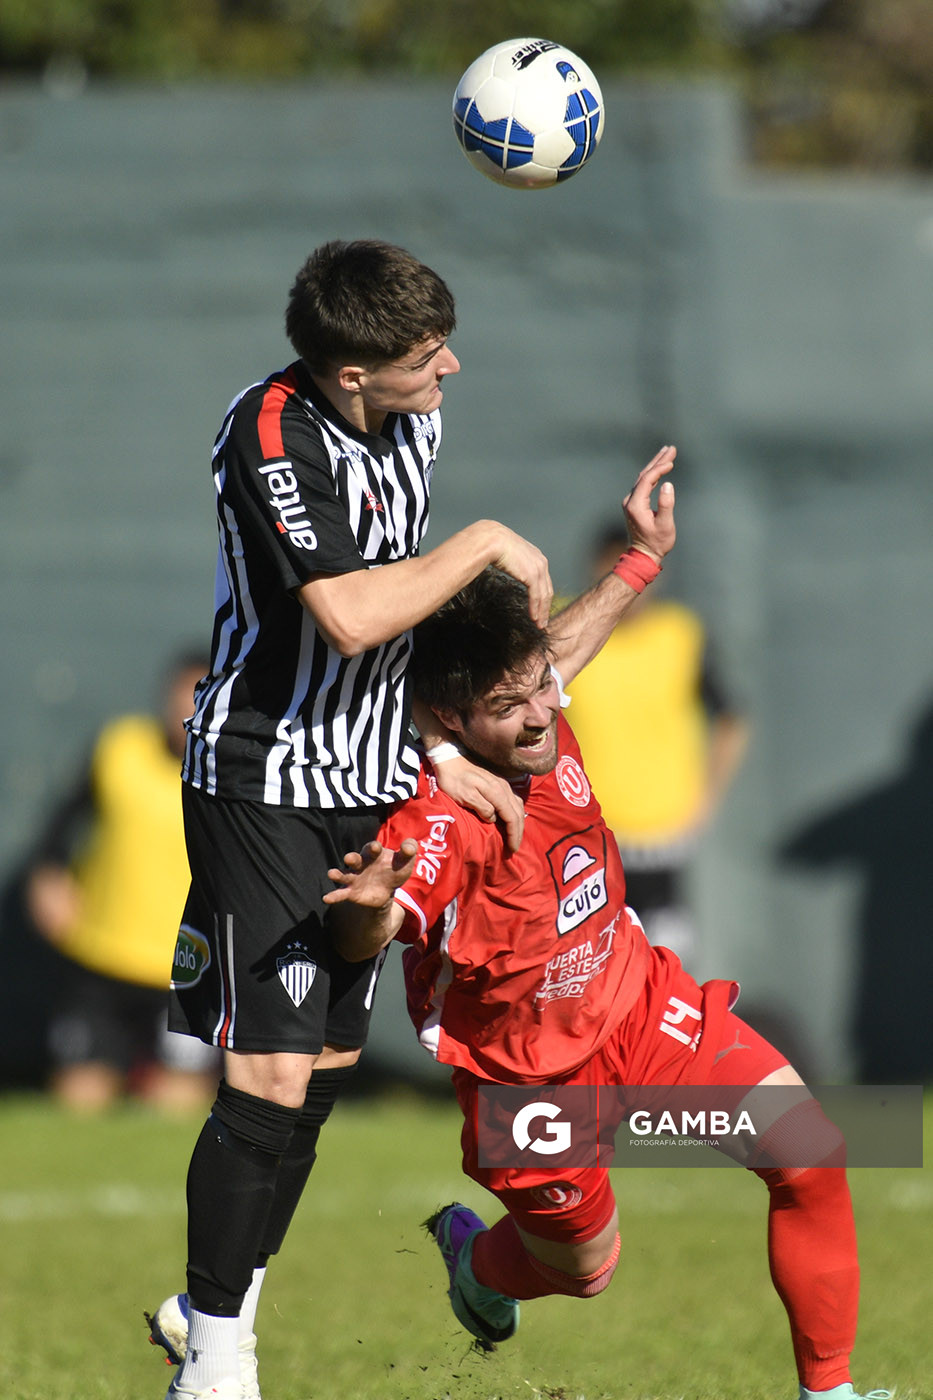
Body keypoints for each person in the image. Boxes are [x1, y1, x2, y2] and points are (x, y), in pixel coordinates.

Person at [323, 466, 888, 1400]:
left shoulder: (529, 701)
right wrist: (371, 906)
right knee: (584, 1270)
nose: (545, 714)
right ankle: (475, 1265)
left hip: (640, 1002)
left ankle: (827, 1393)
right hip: (528, 1076)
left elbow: (561, 649)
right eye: (509, 710)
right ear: (446, 723)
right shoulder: (438, 815)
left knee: (813, 1153)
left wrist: (640, 559)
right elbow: (368, 938)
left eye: (541, 688)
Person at [148, 238, 553, 1400]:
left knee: (321, 1064)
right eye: (429, 357)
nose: (452, 370)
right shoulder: (270, 431)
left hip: (369, 778)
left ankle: (211, 1305)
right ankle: (217, 1361)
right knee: (268, 1073)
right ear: (351, 374)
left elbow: (404, 616)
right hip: (261, 777)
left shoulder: (411, 417)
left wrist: (430, 744)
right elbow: (350, 614)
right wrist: (480, 540)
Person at [24, 652, 219, 1114]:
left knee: (178, 1104)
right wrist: (48, 876)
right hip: (102, 956)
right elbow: (61, 827)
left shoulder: (231, 773)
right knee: (80, 1098)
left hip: (187, 965)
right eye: (179, 696)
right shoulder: (120, 748)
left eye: (198, 698)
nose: (184, 710)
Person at [565, 521, 750, 969]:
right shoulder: (565, 625)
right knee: (586, 964)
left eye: (637, 571)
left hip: (659, 838)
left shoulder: (681, 635)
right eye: (613, 568)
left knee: (662, 962)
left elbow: (731, 719)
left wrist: (704, 801)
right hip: (579, 835)